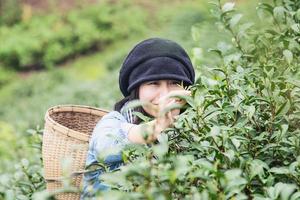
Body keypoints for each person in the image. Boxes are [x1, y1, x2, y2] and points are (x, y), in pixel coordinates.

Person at [81, 38, 195, 199]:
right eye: (154, 83)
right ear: (137, 89)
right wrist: (157, 126)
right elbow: (106, 147)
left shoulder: (190, 133)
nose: (165, 94)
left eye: (175, 83)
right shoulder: (111, 123)